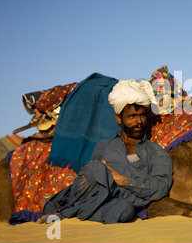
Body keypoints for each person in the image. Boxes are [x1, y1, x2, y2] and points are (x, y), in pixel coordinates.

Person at [38, 79, 173, 224]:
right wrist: (104, 175)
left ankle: (68, 216)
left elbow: (161, 187)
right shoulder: (103, 146)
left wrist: (124, 181)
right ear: (118, 119)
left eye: (142, 115)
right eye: (132, 116)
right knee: (96, 168)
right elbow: (86, 182)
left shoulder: (155, 152)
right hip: (91, 199)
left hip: (117, 203)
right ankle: (66, 213)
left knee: (124, 209)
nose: (139, 121)